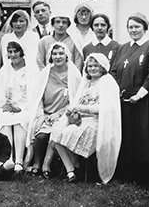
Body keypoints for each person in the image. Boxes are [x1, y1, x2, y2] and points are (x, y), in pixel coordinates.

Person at [51, 53, 121, 183]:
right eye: (90, 66)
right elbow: (78, 102)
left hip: (98, 122)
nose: (92, 68)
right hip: (81, 120)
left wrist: (82, 108)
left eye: (96, 65)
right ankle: (72, 170)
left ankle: (76, 168)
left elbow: (107, 108)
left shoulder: (107, 82)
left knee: (67, 132)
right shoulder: (87, 83)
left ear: (102, 67)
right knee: (56, 132)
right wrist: (71, 111)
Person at [110, 13, 149, 182]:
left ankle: (146, 178)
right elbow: (113, 71)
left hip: (144, 100)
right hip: (124, 100)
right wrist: (116, 90)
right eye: (130, 27)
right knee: (127, 136)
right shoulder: (123, 47)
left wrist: (139, 95)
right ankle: (127, 175)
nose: (133, 30)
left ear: (145, 28)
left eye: (137, 27)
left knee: (144, 137)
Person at [26, 42, 81, 177]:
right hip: (45, 114)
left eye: (61, 53)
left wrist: (59, 114)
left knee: (54, 134)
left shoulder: (73, 74)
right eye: (54, 54)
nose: (57, 56)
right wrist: (41, 115)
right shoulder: (45, 73)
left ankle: (47, 166)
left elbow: (75, 100)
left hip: (64, 115)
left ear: (67, 55)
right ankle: (37, 164)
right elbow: (38, 97)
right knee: (41, 136)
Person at [0, 40, 37, 172]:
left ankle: (19, 160)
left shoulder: (31, 69)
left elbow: (34, 93)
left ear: (22, 52)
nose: (13, 54)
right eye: (10, 52)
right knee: (5, 120)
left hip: (26, 106)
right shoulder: (5, 69)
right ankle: (8, 158)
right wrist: (5, 104)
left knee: (20, 121)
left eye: (16, 51)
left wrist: (20, 108)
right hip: (9, 105)